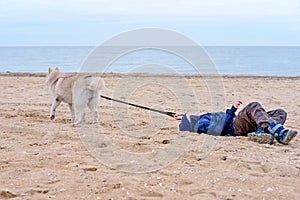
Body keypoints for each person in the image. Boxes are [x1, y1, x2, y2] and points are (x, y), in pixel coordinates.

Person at [174, 101, 297, 145]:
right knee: (253, 106)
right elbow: (221, 128)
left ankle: (261, 133)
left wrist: (183, 117)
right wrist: (232, 109)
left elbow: (186, 120)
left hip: (240, 122)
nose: (192, 111)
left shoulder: (202, 118)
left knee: (280, 112)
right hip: (235, 126)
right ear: (192, 120)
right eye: (190, 113)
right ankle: (280, 133)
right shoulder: (202, 123)